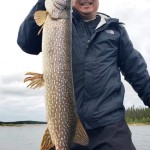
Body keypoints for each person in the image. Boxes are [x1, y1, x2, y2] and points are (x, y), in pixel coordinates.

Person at [17, 0, 150, 150]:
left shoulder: (115, 30)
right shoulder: (60, 22)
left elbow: (138, 74)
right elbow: (26, 43)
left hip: (110, 127)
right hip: (66, 125)